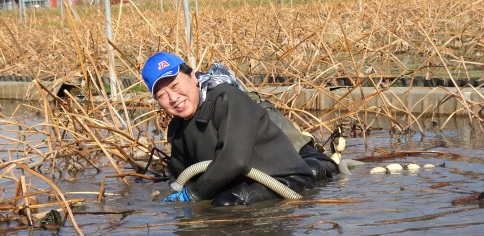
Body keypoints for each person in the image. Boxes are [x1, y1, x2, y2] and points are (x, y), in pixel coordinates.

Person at [141, 52, 337, 206]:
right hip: (244, 182)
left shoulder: (227, 99)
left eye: (175, 86)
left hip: (286, 178)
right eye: (162, 95)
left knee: (227, 202)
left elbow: (234, 161)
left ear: (193, 76)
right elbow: (179, 178)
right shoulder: (177, 128)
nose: (173, 98)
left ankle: (324, 162)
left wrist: (195, 193)